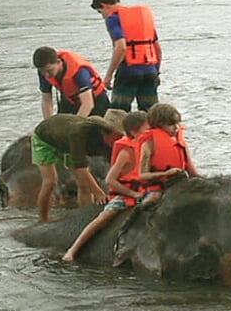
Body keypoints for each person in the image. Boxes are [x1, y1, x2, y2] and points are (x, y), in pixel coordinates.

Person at [63, 111, 151, 262]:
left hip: (143, 192)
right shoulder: (125, 152)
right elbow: (111, 180)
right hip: (124, 195)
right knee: (104, 218)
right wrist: (131, 193)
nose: (150, 133)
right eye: (147, 129)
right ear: (134, 132)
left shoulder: (146, 148)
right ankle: (73, 250)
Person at [31, 109, 127, 222]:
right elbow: (81, 170)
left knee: (84, 185)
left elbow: (115, 166)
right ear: (105, 132)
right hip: (45, 138)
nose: (121, 140)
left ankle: (85, 217)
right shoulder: (79, 134)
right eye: (119, 136)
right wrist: (99, 193)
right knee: (50, 181)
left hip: (66, 139)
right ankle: (43, 219)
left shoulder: (111, 141)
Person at [90, 0, 162, 112]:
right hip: (150, 71)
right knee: (150, 113)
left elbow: (121, 46)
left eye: (100, 11)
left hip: (128, 71)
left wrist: (108, 76)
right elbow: (158, 49)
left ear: (105, 5)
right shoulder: (143, 18)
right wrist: (157, 72)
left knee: (118, 112)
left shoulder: (113, 19)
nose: (102, 16)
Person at [138, 102, 201, 203]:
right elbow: (142, 175)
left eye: (177, 123)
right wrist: (165, 173)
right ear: (158, 124)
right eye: (171, 124)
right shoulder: (148, 145)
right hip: (158, 188)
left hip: (180, 183)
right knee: (154, 198)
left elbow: (193, 173)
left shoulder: (182, 144)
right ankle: (137, 214)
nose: (176, 127)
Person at [32, 46, 111, 119]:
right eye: (42, 71)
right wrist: (47, 124)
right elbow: (47, 100)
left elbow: (88, 104)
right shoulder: (44, 70)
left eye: (50, 70)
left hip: (95, 100)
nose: (47, 75)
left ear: (58, 62)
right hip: (70, 99)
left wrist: (74, 126)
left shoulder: (79, 72)